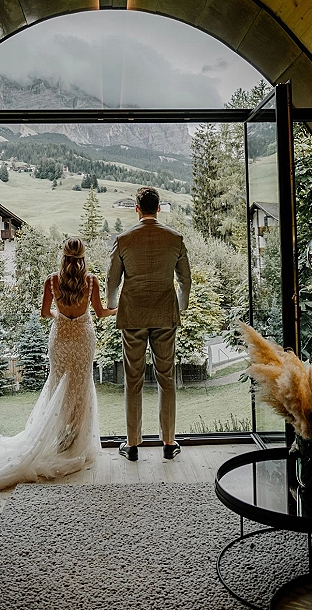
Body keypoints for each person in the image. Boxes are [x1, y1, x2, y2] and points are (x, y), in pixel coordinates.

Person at [0, 237, 116, 491]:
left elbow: (45, 312)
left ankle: (59, 438)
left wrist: (60, 315)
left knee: (58, 385)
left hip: (62, 338)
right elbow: (100, 312)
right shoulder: (91, 282)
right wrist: (119, 309)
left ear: (63, 256)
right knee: (81, 385)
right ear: (83, 257)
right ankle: (74, 442)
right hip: (84, 339)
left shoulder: (52, 281)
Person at [106, 187, 191, 462]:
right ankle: (168, 442)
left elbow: (112, 280)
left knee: (133, 379)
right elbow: (185, 280)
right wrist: (180, 305)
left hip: (133, 315)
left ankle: (132, 444)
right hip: (165, 313)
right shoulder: (175, 238)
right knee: (166, 378)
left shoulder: (123, 239)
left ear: (137, 209)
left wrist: (111, 304)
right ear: (158, 208)